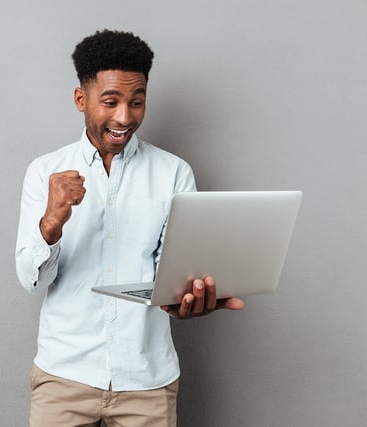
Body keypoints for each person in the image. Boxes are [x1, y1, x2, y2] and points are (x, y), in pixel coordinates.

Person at [15, 29, 245, 427]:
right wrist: (51, 221)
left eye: (136, 102)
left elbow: (171, 275)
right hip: (63, 376)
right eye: (111, 101)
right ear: (80, 100)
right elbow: (32, 282)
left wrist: (186, 300)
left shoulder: (174, 173)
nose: (125, 117)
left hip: (147, 380)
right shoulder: (44, 172)